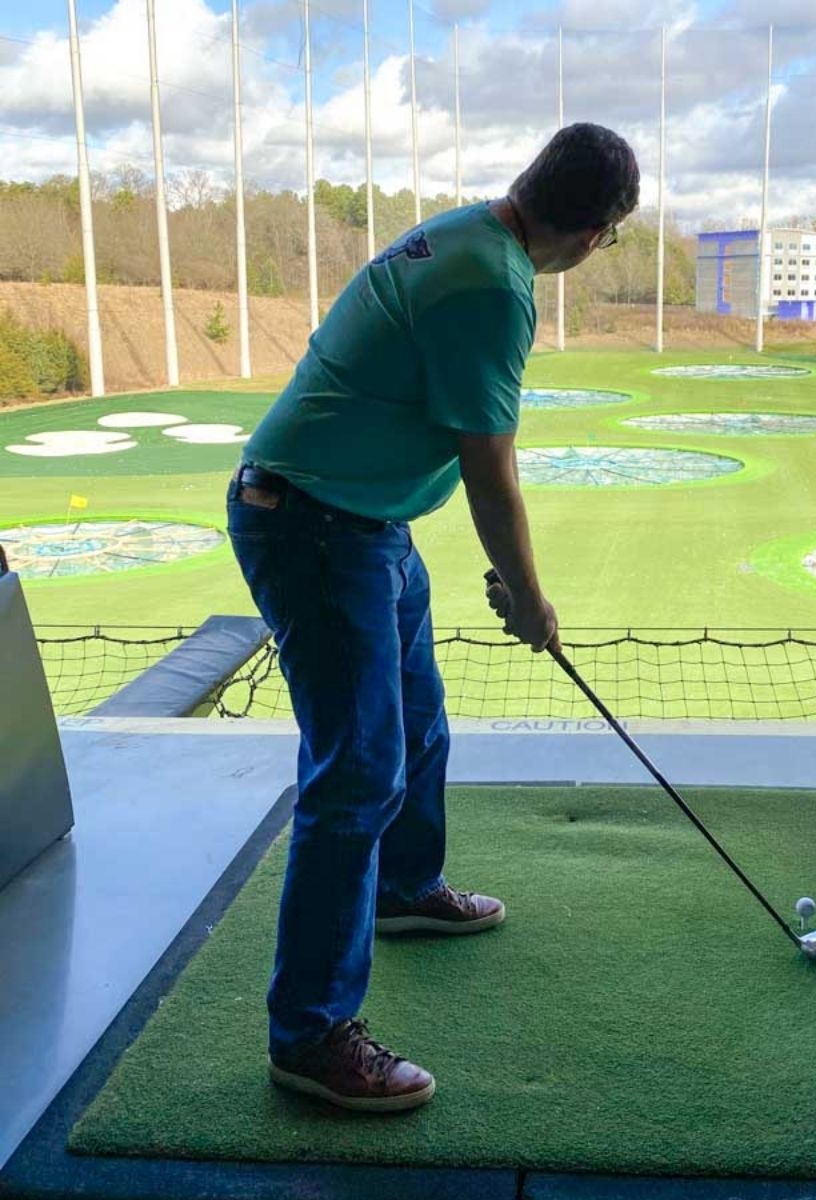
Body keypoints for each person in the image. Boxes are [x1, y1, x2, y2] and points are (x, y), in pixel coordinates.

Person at [226, 123, 640, 1114]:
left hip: (361, 523)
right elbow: (489, 473)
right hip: (316, 527)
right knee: (356, 771)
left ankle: (407, 890)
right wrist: (533, 604)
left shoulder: (470, 237)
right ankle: (310, 1036)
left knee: (418, 721)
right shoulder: (495, 286)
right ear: (596, 232)